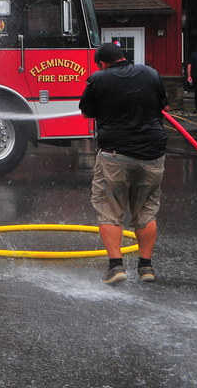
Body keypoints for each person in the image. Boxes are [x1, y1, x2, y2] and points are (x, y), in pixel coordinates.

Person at [79, 43, 168, 284]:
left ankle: (116, 267)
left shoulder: (99, 78)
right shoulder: (150, 72)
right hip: (152, 152)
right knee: (146, 210)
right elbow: (165, 106)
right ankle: (146, 267)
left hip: (115, 154)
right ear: (123, 57)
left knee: (109, 209)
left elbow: (87, 112)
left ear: (102, 63)